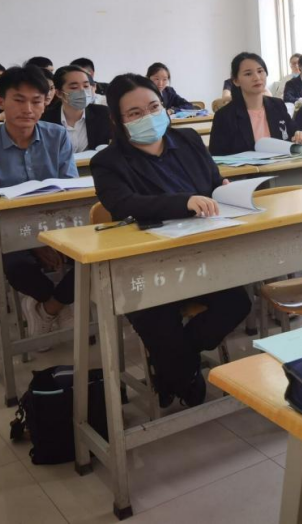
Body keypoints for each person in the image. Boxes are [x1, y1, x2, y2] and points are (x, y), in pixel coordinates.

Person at [91, 74, 251, 408]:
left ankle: (174, 364)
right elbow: (124, 204)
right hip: (147, 265)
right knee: (158, 320)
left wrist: (223, 190)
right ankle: (180, 369)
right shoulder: (107, 162)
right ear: (118, 121)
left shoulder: (188, 140)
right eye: (135, 113)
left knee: (237, 303)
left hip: (201, 254)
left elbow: (211, 183)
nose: (148, 117)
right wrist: (185, 201)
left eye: (153, 107)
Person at [0, 65, 77, 339]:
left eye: (36, 101)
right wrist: (37, 243)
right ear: (1, 102)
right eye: (19, 100)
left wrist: (52, 238)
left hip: (59, 226)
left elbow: (69, 192)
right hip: (9, 233)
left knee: (93, 260)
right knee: (17, 267)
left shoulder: (58, 136)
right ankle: (56, 302)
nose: (28, 109)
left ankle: (48, 309)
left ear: (45, 103)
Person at [210, 52, 302, 155]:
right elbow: (217, 157)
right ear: (236, 81)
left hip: (281, 164)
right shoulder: (224, 116)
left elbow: (294, 133)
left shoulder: (278, 105)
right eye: (248, 74)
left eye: (260, 71)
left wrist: (301, 137)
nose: (257, 78)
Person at [42, 65, 112, 152]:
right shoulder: (45, 120)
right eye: (74, 87)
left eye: (86, 86)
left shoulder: (104, 114)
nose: (82, 91)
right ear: (59, 93)